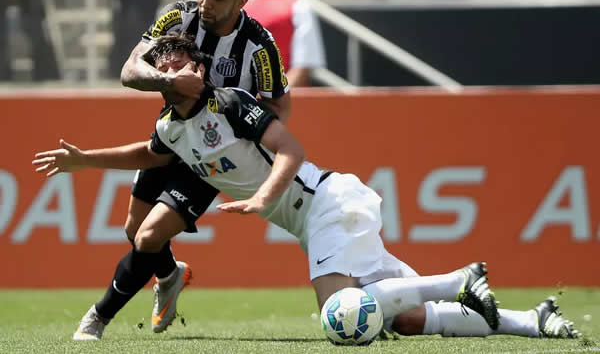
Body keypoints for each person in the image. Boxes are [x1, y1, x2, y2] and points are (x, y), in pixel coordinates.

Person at [33, 33, 581, 341]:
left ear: (200, 70)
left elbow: (291, 149)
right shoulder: (172, 127)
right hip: (315, 220)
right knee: (405, 319)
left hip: (326, 205)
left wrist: (266, 198)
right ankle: (533, 322)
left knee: (340, 317)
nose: (176, 67)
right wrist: (85, 161)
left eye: (184, 60)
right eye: (166, 62)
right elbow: (149, 154)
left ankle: (457, 278)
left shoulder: (230, 103)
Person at [65, 0, 290, 341]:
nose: (205, 3)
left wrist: (232, 127)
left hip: (211, 151)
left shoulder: (259, 46)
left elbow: (278, 106)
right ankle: (170, 275)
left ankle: (97, 319)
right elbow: (130, 70)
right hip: (173, 132)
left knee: (150, 237)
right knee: (135, 231)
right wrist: (170, 83)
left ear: (241, 1)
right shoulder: (179, 17)